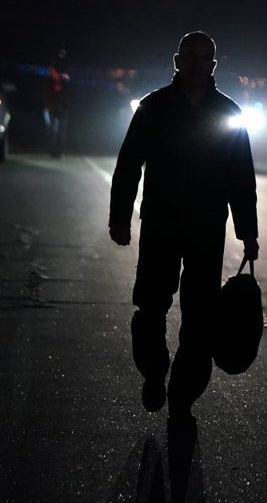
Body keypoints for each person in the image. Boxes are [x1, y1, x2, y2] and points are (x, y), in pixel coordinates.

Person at [109, 31, 259, 430]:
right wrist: (119, 218)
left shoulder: (228, 112)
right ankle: (155, 372)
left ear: (213, 64)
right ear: (177, 60)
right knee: (150, 309)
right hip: (160, 224)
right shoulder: (153, 107)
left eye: (203, 57)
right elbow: (128, 166)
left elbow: (241, 178)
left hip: (207, 230)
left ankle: (183, 397)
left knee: (200, 319)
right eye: (189, 56)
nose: (196, 62)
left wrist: (249, 232)